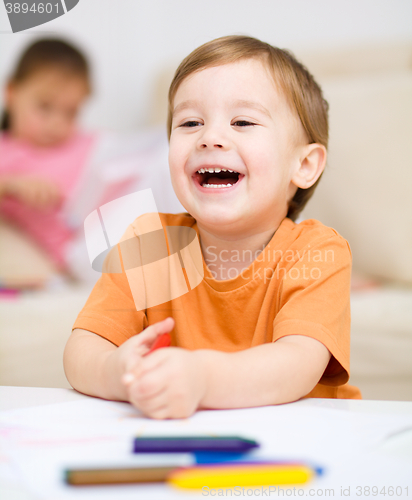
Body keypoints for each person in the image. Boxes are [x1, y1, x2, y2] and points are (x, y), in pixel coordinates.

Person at [64, 35, 362, 420]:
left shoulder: (318, 252)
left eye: (242, 121)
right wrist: (119, 372)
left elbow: (297, 365)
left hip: (302, 446)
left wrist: (201, 378)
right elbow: (82, 349)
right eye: (190, 122)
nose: (210, 138)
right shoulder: (149, 244)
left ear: (303, 165)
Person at [0, 38, 95, 272]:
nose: (57, 124)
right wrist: (11, 185)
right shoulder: (5, 150)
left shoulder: (85, 141)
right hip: (79, 251)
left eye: (70, 112)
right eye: (44, 107)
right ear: (12, 92)